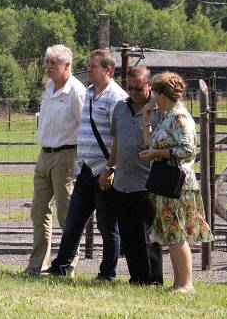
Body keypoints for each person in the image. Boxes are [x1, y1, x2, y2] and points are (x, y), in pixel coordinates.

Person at [45, 49, 127, 281]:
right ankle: (60, 267)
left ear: (108, 70)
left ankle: (107, 274)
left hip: (104, 171)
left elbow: (119, 138)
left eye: (94, 66)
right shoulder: (89, 93)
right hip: (85, 170)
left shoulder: (117, 97)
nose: (88, 70)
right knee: (73, 222)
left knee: (107, 227)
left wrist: (112, 169)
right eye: (88, 66)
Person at [139, 72, 212, 294]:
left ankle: (187, 284)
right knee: (171, 233)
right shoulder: (167, 116)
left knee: (177, 233)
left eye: (154, 94)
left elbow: (187, 150)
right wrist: (145, 122)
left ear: (162, 94)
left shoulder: (180, 117)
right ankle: (178, 283)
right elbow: (151, 142)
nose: (152, 98)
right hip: (167, 183)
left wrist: (157, 153)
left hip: (179, 185)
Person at [26, 45, 86, 276]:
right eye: (47, 62)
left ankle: (67, 267)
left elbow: (85, 128)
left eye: (53, 63)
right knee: (39, 212)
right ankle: (37, 266)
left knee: (66, 214)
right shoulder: (49, 87)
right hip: (45, 154)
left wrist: (78, 161)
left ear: (67, 66)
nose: (48, 67)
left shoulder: (76, 92)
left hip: (66, 156)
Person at [102, 65, 163, 285]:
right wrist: (110, 168)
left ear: (149, 86)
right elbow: (117, 141)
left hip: (147, 182)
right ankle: (136, 278)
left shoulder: (158, 110)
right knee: (129, 235)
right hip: (123, 182)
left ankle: (153, 280)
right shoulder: (120, 107)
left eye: (139, 88)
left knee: (149, 236)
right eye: (130, 88)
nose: (134, 92)